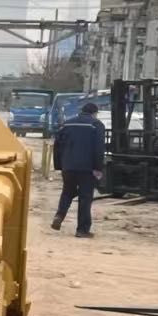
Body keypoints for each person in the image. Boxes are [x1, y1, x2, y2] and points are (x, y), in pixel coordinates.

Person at [52, 100, 106, 237]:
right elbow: (99, 149)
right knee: (85, 197)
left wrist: (59, 165)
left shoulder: (67, 124)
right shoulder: (96, 125)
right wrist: (98, 168)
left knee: (67, 192)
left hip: (68, 166)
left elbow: (57, 145)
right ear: (94, 113)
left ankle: (59, 216)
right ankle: (82, 230)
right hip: (86, 169)